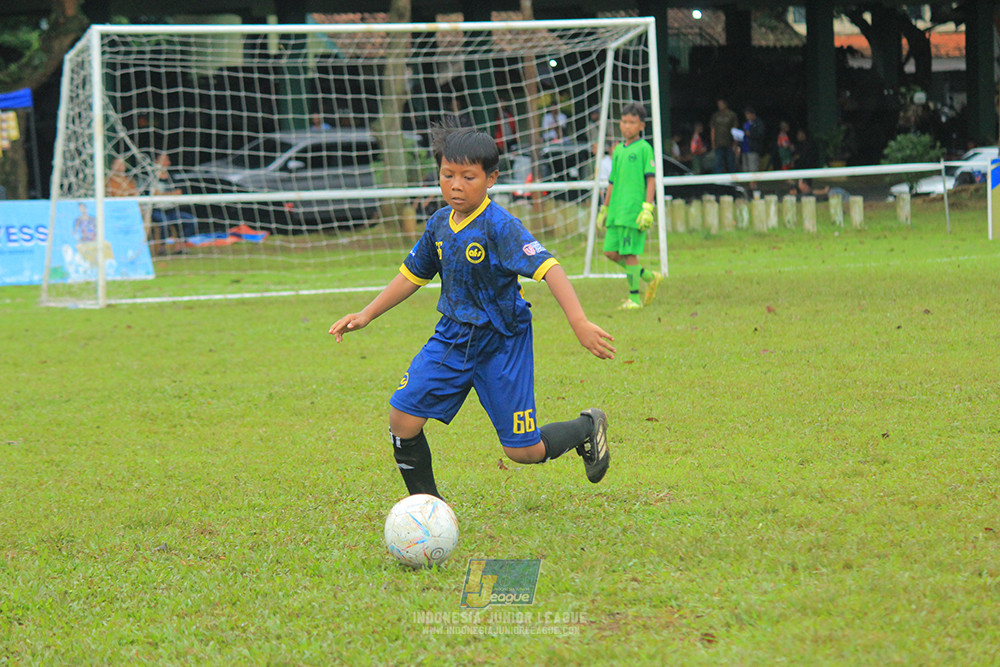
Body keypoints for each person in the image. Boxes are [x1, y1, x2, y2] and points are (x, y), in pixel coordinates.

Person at [328, 124, 615, 501]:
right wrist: (366, 314)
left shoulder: (501, 227)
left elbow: (551, 269)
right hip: (452, 337)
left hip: (502, 343)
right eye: (447, 175)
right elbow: (412, 275)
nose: (455, 185)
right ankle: (429, 511)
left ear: (491, 178)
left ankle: (585, 427)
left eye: (468, 177)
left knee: (523, 452)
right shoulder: (437, 225)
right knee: (402, 419)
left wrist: (579, 322)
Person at [595, 102, 664, 310]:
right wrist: (604, 208)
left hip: (632, 211)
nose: (627, 126)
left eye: (632, 123)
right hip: (616, 210)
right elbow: (612, 181)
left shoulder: (644, 148)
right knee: (610, 252)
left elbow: (650, 179)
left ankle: (634, 299)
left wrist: (647, 207)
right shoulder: (617, 150)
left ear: (641, 126)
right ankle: (650, 277)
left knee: (629, 254)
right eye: (624, 122)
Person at [147, 152, 197, 242]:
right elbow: (154, 194)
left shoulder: (172, 177)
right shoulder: (150, 178)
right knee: (164, 222)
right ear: (156, 161)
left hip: (171, 210)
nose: (166, 163)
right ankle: (162, 247)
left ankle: (180, 243)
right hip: (156, 210)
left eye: (167, 160)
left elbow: (179, 192)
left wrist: (163, 194)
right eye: (163, 160)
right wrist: (171, 193)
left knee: (192, 220)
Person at [709, 98, 738, 173]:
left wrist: (735, 143)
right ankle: (719, 181)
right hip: (718, 143)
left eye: (721, 104)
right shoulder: (715, 115)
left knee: (731, 162)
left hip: (729, 143)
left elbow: (735, 130)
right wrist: (713, 143)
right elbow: (713, 130)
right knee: (718, 163)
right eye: (718, 104)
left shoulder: (732, 115)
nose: (720, 106)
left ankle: (733, 180)